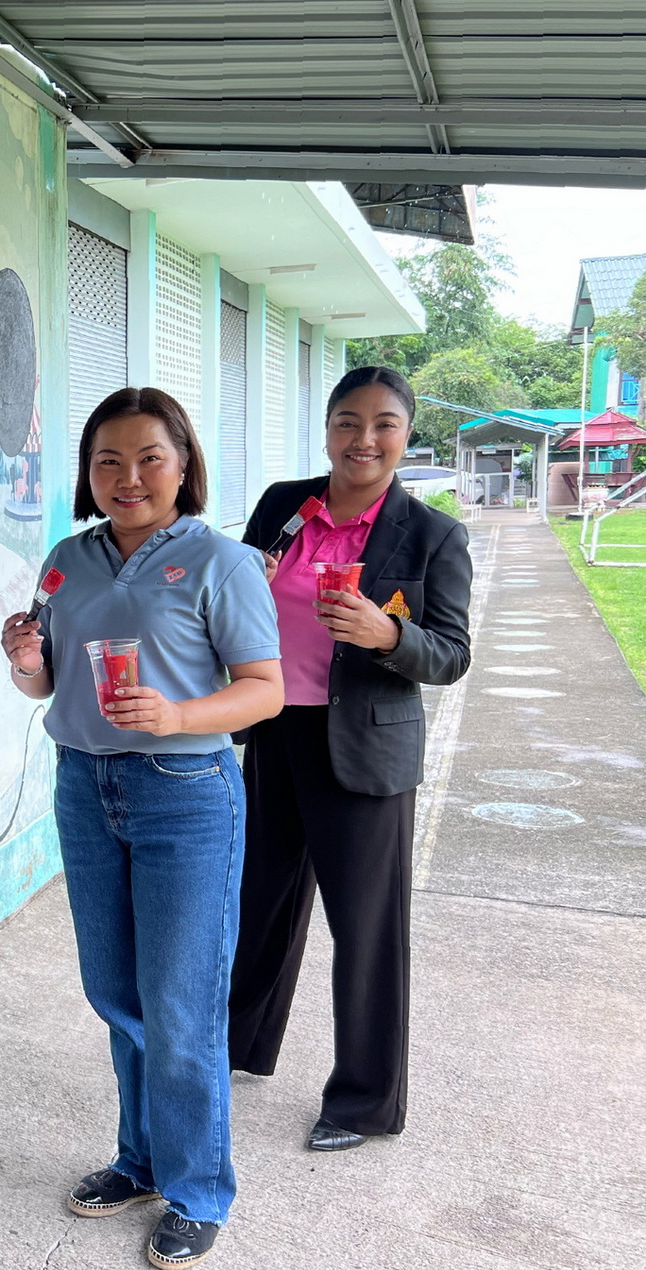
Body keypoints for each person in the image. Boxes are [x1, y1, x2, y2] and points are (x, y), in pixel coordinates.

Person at [0, 388, 282, 1270]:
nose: (128, 477)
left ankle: (199, 1188)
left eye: (149, 457)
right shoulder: (65, 560)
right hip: (85, 785)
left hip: (187, 789)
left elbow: (265, 688)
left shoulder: (220, 562)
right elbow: (45, 687)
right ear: (87, 473)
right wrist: (26, 661)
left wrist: (179, 713)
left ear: (185, 464)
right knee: (116, 989)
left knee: (181, 1001)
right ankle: (142, 1159)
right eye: (107, 461)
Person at [228, 366, 472, 1152]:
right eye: (346, 421)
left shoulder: (432, 534)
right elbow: (228, 599)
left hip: (364, 748)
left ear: (406, 432)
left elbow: (452, 652)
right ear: (326, 428)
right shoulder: (281, 506)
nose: (363, 439)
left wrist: (387, 634)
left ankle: (366, 1100)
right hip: (271, 727)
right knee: (256, 903)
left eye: (383, 424)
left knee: (365, 929)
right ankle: (237, 1046)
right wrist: (245, 581)